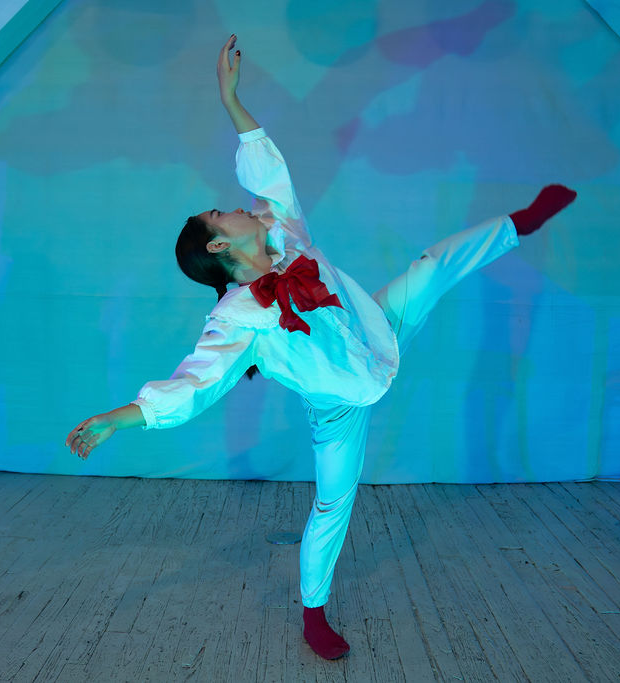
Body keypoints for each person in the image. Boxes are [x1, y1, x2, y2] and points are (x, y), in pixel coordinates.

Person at [66, 34, 576, 660]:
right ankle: (314, 611)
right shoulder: (236, 318)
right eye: (222, 216)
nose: (236, 209)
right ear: (220, 247)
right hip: (339, 404)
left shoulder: (284, 230)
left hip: (376, 329)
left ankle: (517, 224)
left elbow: (270, 175)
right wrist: (122, 417)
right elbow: (195, 381)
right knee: (332, 504)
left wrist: (231, 101)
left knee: (434, 264)